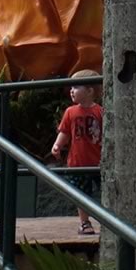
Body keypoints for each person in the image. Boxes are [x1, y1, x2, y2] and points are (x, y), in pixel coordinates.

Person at [50, 71, 103, 235]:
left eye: (76, 87)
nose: (72, 90)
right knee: (81, 194)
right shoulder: (70, 112)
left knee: (106, 190)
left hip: (98, 162)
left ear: (90, 91)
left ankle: (110, 221)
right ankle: (84, 222)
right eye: (71, 87)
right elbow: (65, 132)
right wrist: (57, 145)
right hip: (77, 162)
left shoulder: (101, 111)